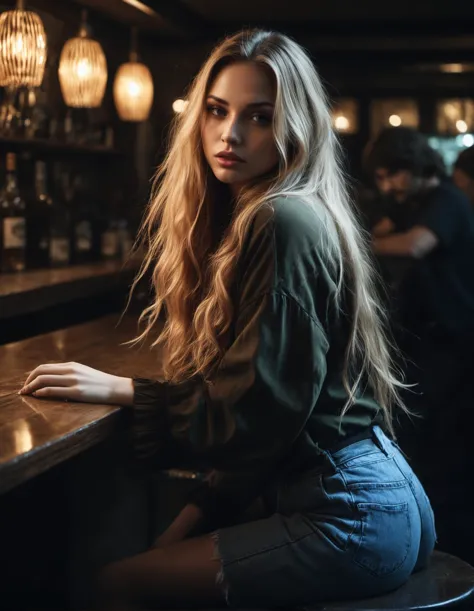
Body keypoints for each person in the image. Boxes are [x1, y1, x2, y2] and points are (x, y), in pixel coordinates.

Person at [19, 30, 435, 610]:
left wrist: (125, 390)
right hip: (379, 494)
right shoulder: (278, 212)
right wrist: (185, 524)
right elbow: (270, 428)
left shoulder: (280, 218)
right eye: (216, 111)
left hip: (351, 512)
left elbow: (255, 415)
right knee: (139, 565)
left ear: (295, 127)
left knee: (115, 585)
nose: (229, 134)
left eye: (259, 117)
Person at [364, 126, 474, 562]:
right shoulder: (415, 202)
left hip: (456, 342)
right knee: (421, 441)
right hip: (429, 343)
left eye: (392, 175)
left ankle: (446, 548)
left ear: (413, 167)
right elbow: (389, 227)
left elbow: (414, 245)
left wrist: (363, 245)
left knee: (443, 451)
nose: (387, 186)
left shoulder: (446, 201)